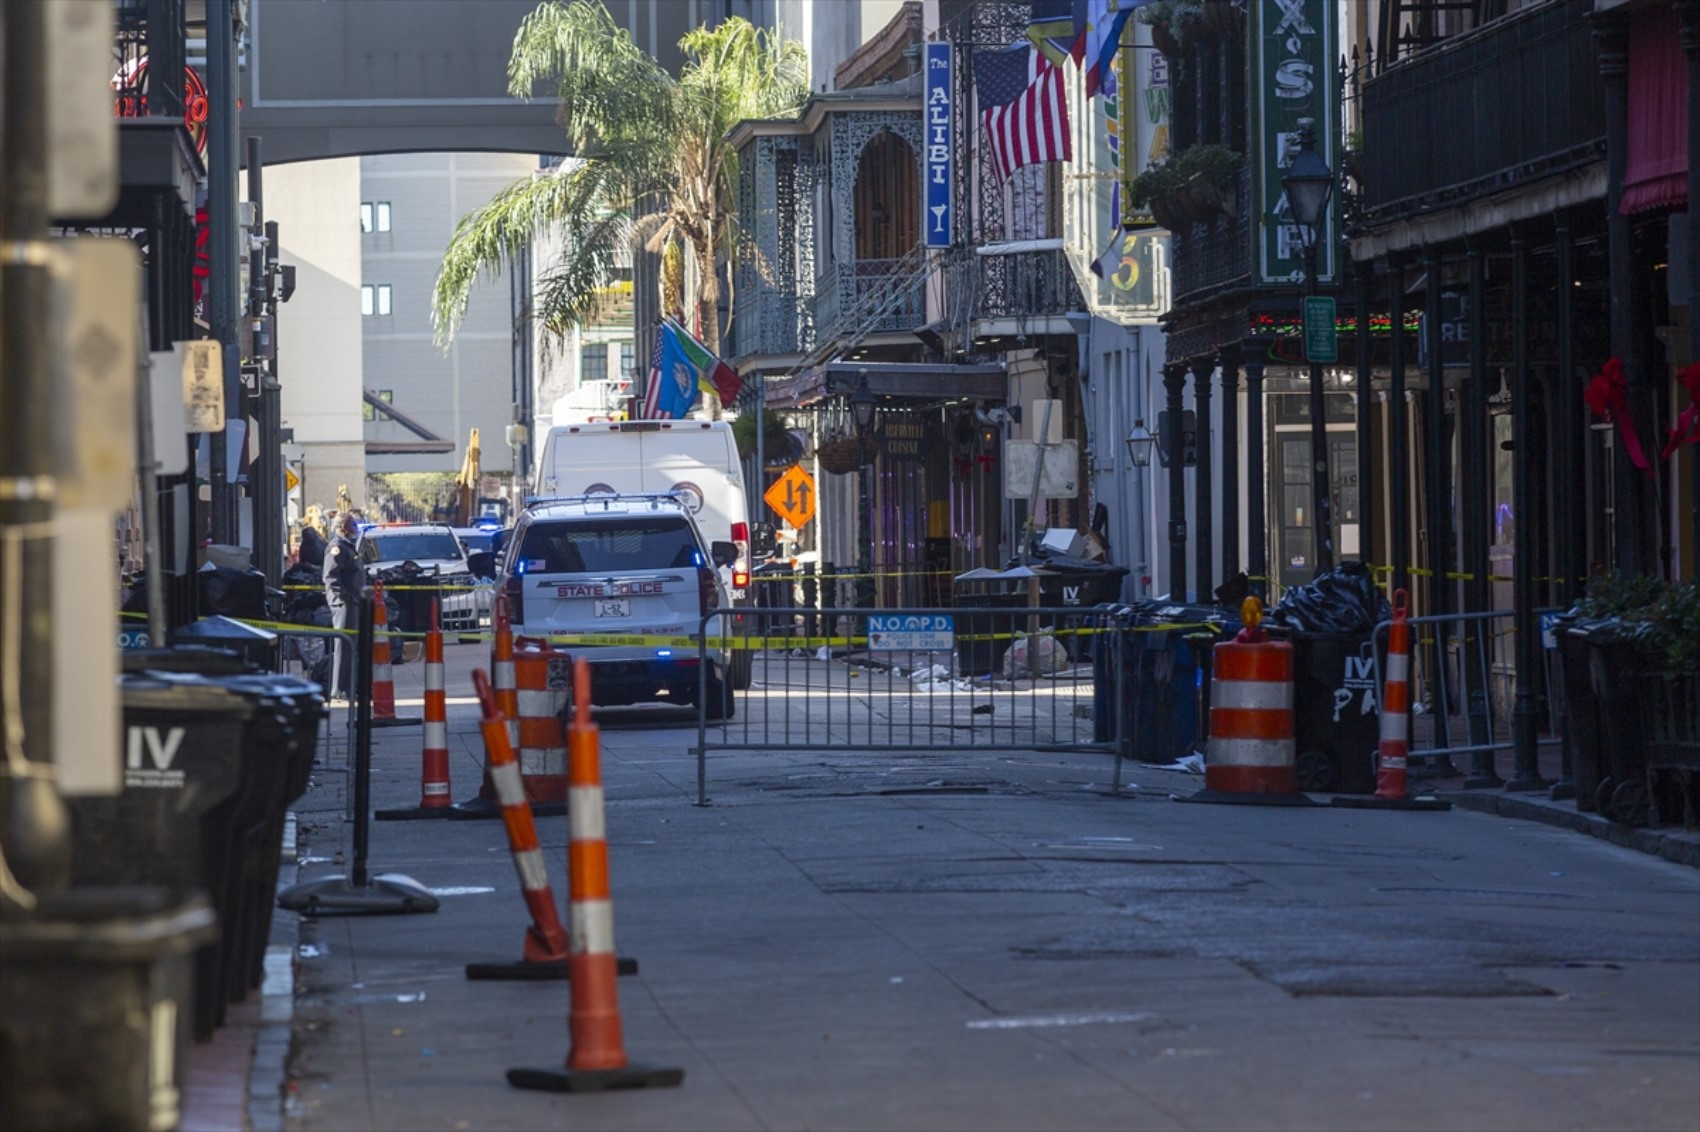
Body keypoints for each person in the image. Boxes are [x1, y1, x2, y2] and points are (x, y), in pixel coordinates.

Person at [323, 512, 365, 701]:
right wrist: (343, 599)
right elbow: (331, 577)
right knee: (344, 647)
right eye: (352, 525)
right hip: (344, 604)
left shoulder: (348, 546)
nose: (355, 529)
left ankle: (346, 687)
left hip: (353, 602)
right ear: (342, 528)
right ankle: (339, 689)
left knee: (350, 647)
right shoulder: (337, 547)